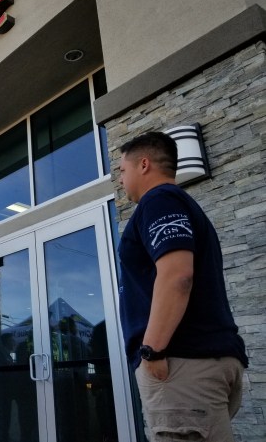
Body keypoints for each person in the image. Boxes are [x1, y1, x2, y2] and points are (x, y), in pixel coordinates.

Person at [117, 131, 248, 441]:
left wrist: (151, 351)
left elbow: (177, 276)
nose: (121, 180)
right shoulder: (182, 205)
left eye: (122, 170)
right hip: (202, 360)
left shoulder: (159, 200)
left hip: (181, 363)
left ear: (144, 164)